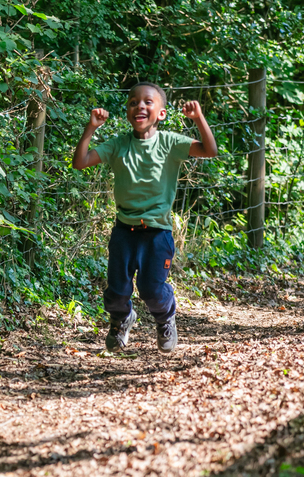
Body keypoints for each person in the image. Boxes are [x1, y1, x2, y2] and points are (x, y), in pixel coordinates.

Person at [71, 83, 218, 352]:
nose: (139, 105)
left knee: (152, 290)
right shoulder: (118, 145)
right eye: (133, 102)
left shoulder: (171, 143)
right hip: (124, 232)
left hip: (157, 233)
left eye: (148, 102)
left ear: (161, 113)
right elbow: (80, 162)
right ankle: (121, 319)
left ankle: (166, 318)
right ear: (128, 113)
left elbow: (210, 150)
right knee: (116, 292)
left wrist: (199, 119)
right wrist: (90, 128)